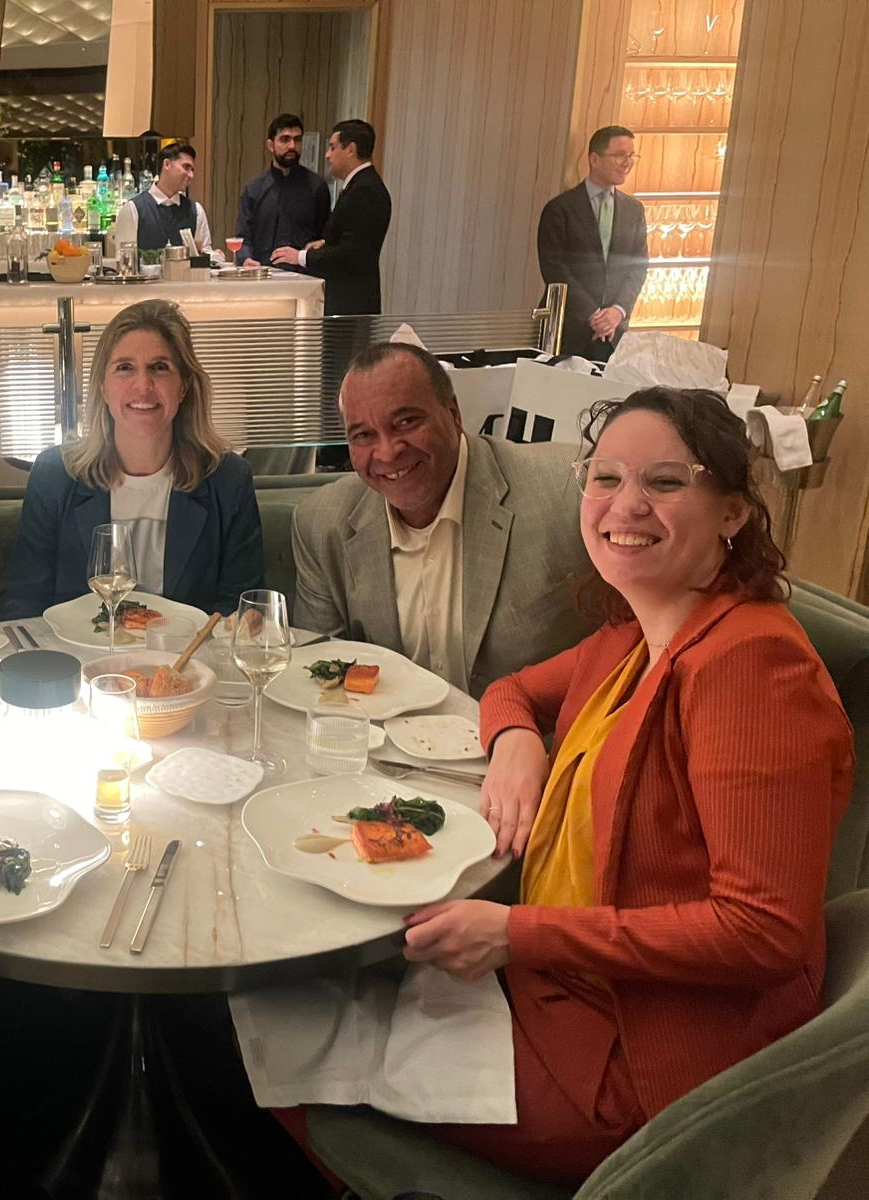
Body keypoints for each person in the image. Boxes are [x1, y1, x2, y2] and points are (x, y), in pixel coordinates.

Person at [391, 387, 854, 1182]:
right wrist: (516, 748)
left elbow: (763, 931)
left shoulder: (750, 667)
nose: (624, 505)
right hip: (558, 991)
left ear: (734, 513)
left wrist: (517, 935)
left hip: (641, 1068)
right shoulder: (635, 630)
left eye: (666, 482)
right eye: (604, 477)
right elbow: (512, 692)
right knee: (315, 1006)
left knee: (290, 1052)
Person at [292, 343, 594, 697]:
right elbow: (324, 677)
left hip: (538, 746)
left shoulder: (568, 491)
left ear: (453, 414)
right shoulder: (322, 523)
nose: (388, 452)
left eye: (406, 422)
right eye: (364, 435)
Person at [0, 298, 262, 619]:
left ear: (183, 387)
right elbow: (23, 607)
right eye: (125, 367)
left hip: (190, 666)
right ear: (103, 386)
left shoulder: (228, 480)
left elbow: (240, 614)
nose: (143, 386)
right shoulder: (54, 477)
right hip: (79, 665)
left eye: (159, 367)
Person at [537, 125, 650, 360]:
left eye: (631, 156)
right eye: (619, 155)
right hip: (568, 330)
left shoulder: (634, 210)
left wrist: (617, 312)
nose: (626, 163)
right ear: (594, 159)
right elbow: (554, 268)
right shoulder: (560, 209)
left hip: (614, 334)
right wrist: (593, 315)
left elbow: (638, 267)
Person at [273, 118, 390, 316]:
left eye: (332, 147)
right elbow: (352, 237)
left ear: (350, 149)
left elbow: (352, 253)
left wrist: (300, 256)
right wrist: (325, 243)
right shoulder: (359, 186)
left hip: (351, 303)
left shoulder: (365, 190)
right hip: (347, 298)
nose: (327, 155)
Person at [233, 113, 331, 269]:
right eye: (285, 139)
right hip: (262, 276)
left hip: (304, 279)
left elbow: (326, 237)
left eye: (297, 140)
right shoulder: (254, 189)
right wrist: (246, 259)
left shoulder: (317, 187)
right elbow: (243, 238)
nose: (292, 146)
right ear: (271, 145)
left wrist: (319, 246)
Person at [112, 143, 213, 253]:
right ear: (167, 164)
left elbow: (205, 254)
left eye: (192, 169)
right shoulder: (133, 209)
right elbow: (124, 260)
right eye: (186, 167)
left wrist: (215, 257)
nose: (191, 175)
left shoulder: (196, 211)